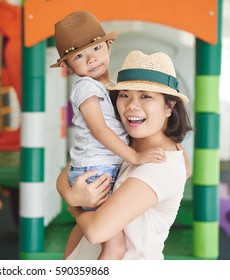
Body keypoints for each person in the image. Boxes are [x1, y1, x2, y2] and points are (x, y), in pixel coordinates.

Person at [50, 11, 166, 260]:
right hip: (96, 170)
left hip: (99, 167)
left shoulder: (111, 87)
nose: (90, 60)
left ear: (108, 46)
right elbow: (99, 130)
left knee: (82, 229)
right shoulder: (85, 87)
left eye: (95, 49)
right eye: (78, 56)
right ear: (68, 67)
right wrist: (135, 156)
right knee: (115, 245)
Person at [57, 50, 193, 260]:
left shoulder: (160, 165)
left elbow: (96, 231)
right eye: (124, 95)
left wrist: (75, 208)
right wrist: (71, 195)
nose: (132, 106)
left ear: (169, 106)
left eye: (146, 96)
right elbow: (68, 171)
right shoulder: (124, 143)